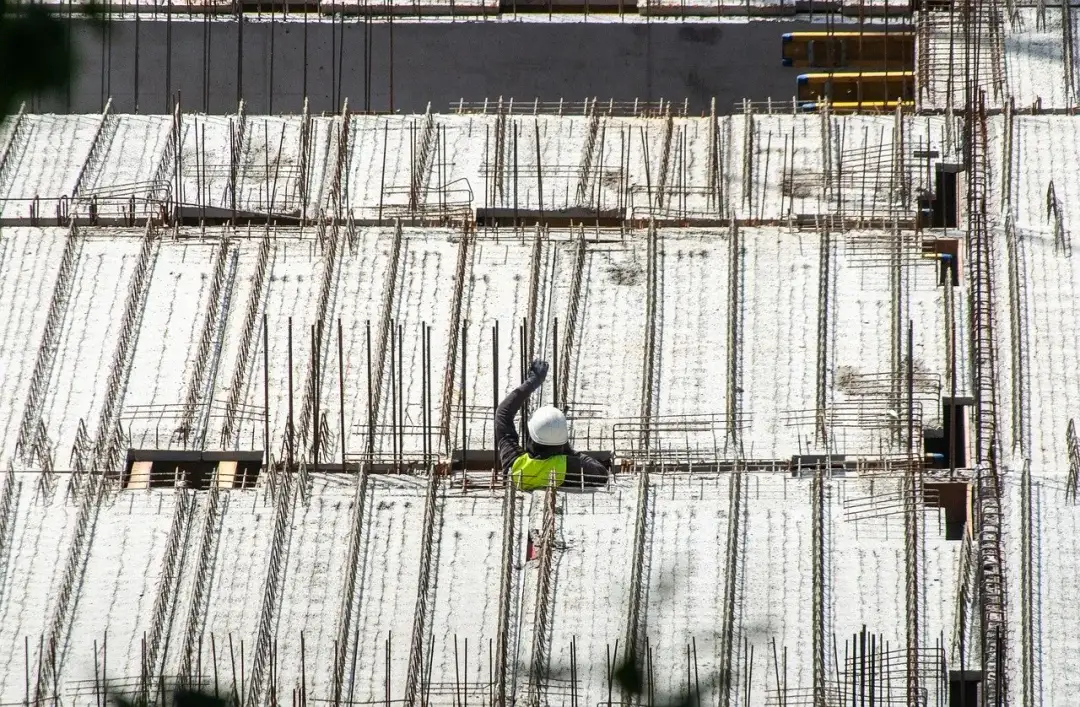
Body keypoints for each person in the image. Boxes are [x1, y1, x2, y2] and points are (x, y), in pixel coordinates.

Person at [495, 359, 609, 491]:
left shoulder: (514, 465)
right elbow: (601, 474)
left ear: (531, 436)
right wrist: (568, 449)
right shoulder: (568, 466)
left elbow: (503, 414)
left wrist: (533, 382)